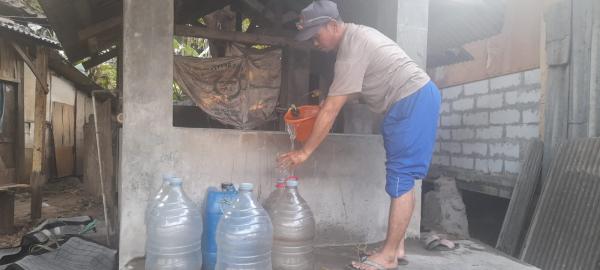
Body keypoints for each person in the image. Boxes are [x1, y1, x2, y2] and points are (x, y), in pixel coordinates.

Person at [277, 1, 441, 269]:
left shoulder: (351, 50)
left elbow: (331, 110)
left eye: (316, 36)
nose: (314, 43)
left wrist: (304, 151)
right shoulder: (356, 39)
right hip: (412, 99)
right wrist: (322, 109)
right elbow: (340, 99)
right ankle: (396, 247)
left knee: (401, 176)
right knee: (403, 176)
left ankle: (388, 256)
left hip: (411, 100)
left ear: (332, 25)